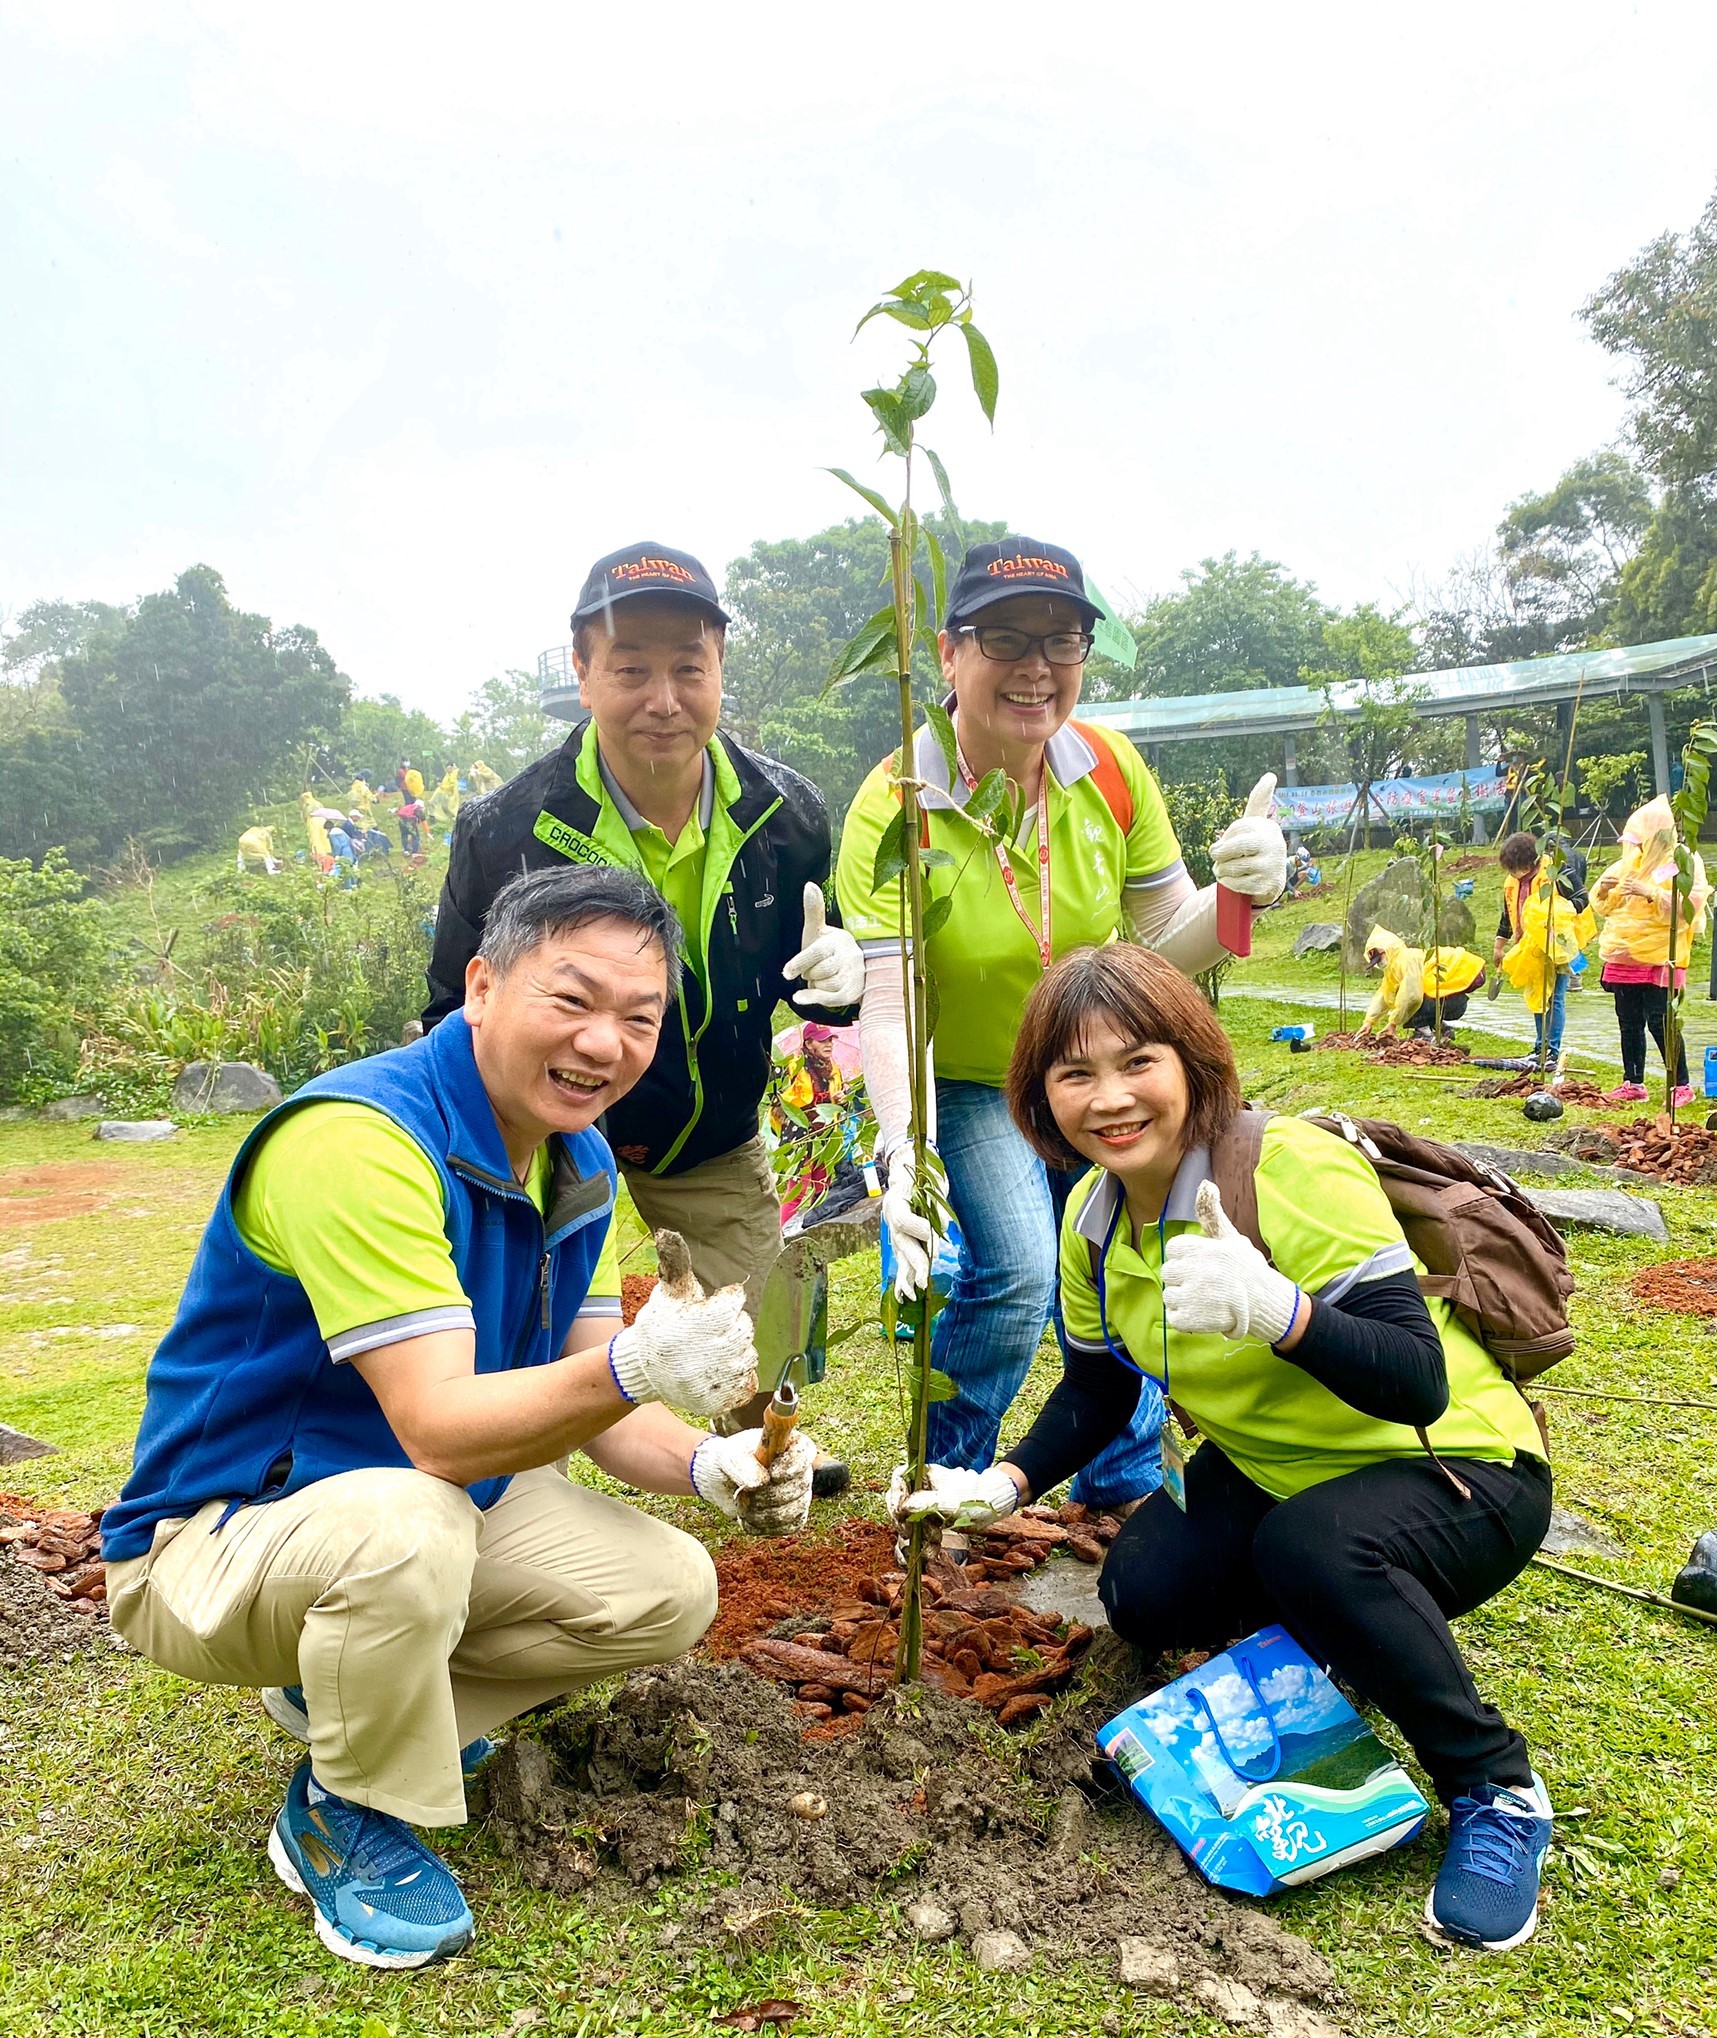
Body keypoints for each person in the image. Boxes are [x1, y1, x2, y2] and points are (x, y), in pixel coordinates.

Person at [99, 867, 819, 1971]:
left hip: (417, 1507)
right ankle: (347, 1804)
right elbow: (439, 1428)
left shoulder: (574, 1159)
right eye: (571, 1000)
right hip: (216, 1537)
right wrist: (639, 1362)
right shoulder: (360, 1140)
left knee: (666, 1588)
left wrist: (713, 1460)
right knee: (408, 1525)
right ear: (480, 985)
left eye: (639, 1018)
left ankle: (353, 1699)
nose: (604, 1043)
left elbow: (596, 1407)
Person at [896, 940, 1556, 1951]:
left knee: (1317, 1550)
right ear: (1040, 1096)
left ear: (1192, 1064)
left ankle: (1495, 1789)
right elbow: (1098, 1386)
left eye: (1136, 1062)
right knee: (1145, 1591)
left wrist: (1277, 1310)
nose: (1108, 1098)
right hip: (1276, 1468)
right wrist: (1005, 1480)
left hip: (1453, 1470)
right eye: (1074, 1074)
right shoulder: (1092, 1217)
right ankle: (1342, 1651)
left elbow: (1414, 1377)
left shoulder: (1288, 1169)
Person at [835, 536, 1287, 1511]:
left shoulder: (1111, 772)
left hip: (1089, 1075)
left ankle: (1121, 1482)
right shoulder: (897, 802)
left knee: (1123, 1261)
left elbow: (1163, 941)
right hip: (968, 1081)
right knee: (1018, 1274)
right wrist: (904, 1145)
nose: (1037, 666)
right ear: (950, 655)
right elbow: (890, 991)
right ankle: (944, 1481)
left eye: (1063, 638)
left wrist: (1237, 891)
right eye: (1005, 637)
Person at [424, 541, 864, 1485]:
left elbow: (814, 981)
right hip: (538, 1134)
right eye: (630, 669)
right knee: (510, 1313)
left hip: (705, 1128)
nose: (661, 700)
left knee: (763, 1328)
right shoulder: (506, 830)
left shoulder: (785, 814)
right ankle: (506, 1463)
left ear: (719, 675)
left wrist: (843, 976)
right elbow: (445, 1007)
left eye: (686, 669)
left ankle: (764, 1454)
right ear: (582, 673)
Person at [1590, 795, 1709, 1105]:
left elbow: (1689, 907)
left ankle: (1680, 1083)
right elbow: (1604, 904)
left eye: (1643, 841)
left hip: (1662, 954)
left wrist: (1652, 893)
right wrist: (1603, 889)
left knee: (1661, 1019)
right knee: (1628, 1020)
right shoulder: (1630, 863)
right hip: (1624, 954)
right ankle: (1633, 1081)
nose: (1638, 848)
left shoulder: (1681, 862)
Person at [1492, 832, 1588, 1066]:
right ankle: (1540, 1047)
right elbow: (1508, 914)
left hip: (1557, 944)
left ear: (1530, 861)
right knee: (1537, 995)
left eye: (1516, 868)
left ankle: (1551, 1051)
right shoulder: (1513, 883)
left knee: (1554, 996)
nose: (1514, 873)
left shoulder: (1556, 871)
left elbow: (1582, 899)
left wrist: (1556, 913)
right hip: (1529, 948)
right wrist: (1499, 946)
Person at [1355, 925, 1485, 1037]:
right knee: (1409, 1004)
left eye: (1380, 958)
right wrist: (1369, 1022)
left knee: (1411, 1007)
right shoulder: (1394, 966)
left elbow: (1411, 996)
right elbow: (1384, 995)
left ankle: (1425, 1034)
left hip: (1459, 993)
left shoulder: (1407, 960)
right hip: (1452, 996)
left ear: (1388, 950)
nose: (1380, 963)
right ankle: (1440, 1029)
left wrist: (1393, 1023)